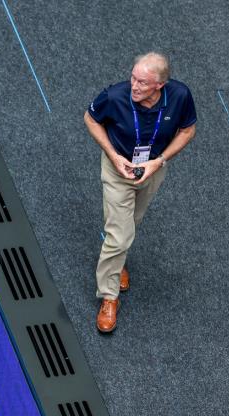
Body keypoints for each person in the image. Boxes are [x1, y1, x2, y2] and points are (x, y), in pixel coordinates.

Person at [84, 52, 196, 333]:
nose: (133, 86)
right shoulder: (114, 96)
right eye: (132, 78)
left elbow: (187, 130)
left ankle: (117, 261)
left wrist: (159, 162)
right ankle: (109, 296)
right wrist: (113, 155)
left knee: (132, 222)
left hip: (152, 169)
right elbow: (90, 119)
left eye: (142, 82)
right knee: (119, 237)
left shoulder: (180, 96)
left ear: (160, 85)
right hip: (118, 169)